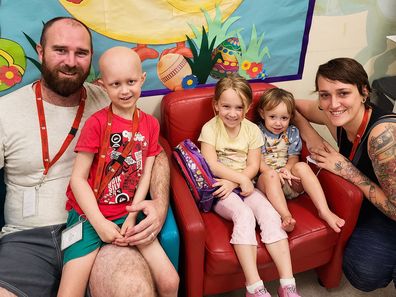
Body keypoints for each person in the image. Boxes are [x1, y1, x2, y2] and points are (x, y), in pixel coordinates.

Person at [0, 17, 170, 297]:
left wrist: (159, 203)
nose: (71, 61)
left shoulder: (110, 99)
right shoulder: (6, 111)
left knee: (133, 289)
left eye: (81, 53)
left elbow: (156, 152)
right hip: (26, 239)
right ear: (41, 52)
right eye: (60, 50)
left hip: (100, 228)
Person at [57, 47, 179, 297]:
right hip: (90, 218)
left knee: (170, 281)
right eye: (116, 84)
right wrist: (100, 224)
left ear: (142, 79)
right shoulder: (96, 123)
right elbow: (78, 179)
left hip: (127, 214)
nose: (125, 90)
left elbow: (146, 171)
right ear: (103, 85)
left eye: (131, 82)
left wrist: (133, 216)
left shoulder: (150, 124)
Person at [294, 57, 396, 292]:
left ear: (363, 93)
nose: (333, 104)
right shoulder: (336, 117)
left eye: (343, 93)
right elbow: (290, 105)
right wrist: (305, 128)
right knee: (363, 273)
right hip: (376, 208)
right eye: (324, 94)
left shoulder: (383, 136)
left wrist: (348, 170)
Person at [198, 74, 301, 297]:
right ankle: (254, 287)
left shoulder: (252, 130)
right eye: (226, 106)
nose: (232, 113)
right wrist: (241, 179)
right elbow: (211, 165)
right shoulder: (210, 128)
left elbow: (254, 164)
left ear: (247, 107)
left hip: (243, 183)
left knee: (270, 213)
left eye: (239, 107)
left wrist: (242, 179)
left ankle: (288, 285)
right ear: (216, 105)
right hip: (220, 189)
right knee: (244, 215)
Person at [255, 88, 345, 233]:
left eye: (284, 118)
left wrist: (287, 169)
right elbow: (258, 161)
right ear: (262, 113)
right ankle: (286, 216)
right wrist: (275, 173)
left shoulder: (292, 132)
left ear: (290, 116)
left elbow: (293, 157)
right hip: (267, 182)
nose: (278, 123)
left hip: (288, 179)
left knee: (302, 166)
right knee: (270, 176)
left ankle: (324, 210)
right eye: (273, 117)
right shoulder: (255, 132)